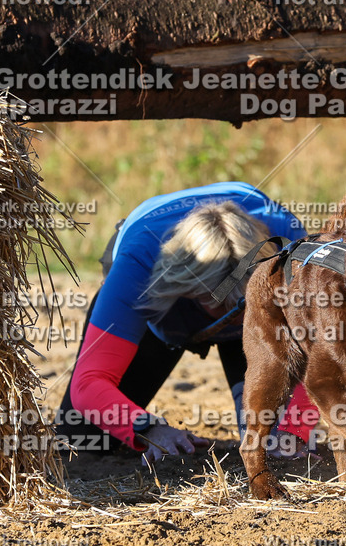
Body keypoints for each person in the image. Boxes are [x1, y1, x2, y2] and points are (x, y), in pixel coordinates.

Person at [54, 181, 318, 465]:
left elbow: (321, 353)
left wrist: (294, 428)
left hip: (263, 307)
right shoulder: (138, 264)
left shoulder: (291, 248)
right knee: (82, 439)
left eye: (242, 303)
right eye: (219, 303)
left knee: (275, 439)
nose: (234, 317)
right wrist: (148, 427)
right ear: (188, 288)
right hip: (163, 308)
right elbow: (89, 383)